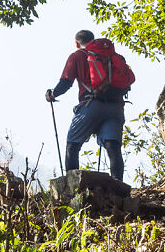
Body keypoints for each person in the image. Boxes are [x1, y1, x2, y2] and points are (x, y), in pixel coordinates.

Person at [45, 30, 126, 182]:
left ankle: (72, 186)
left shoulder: (77, 56)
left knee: (72, 145)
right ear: (93, 40)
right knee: (113, 147)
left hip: (91, 106)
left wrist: (53, 94)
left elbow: (66, 82)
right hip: (115, 107)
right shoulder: (113, 57)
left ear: (77, 43)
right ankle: (119, 187)